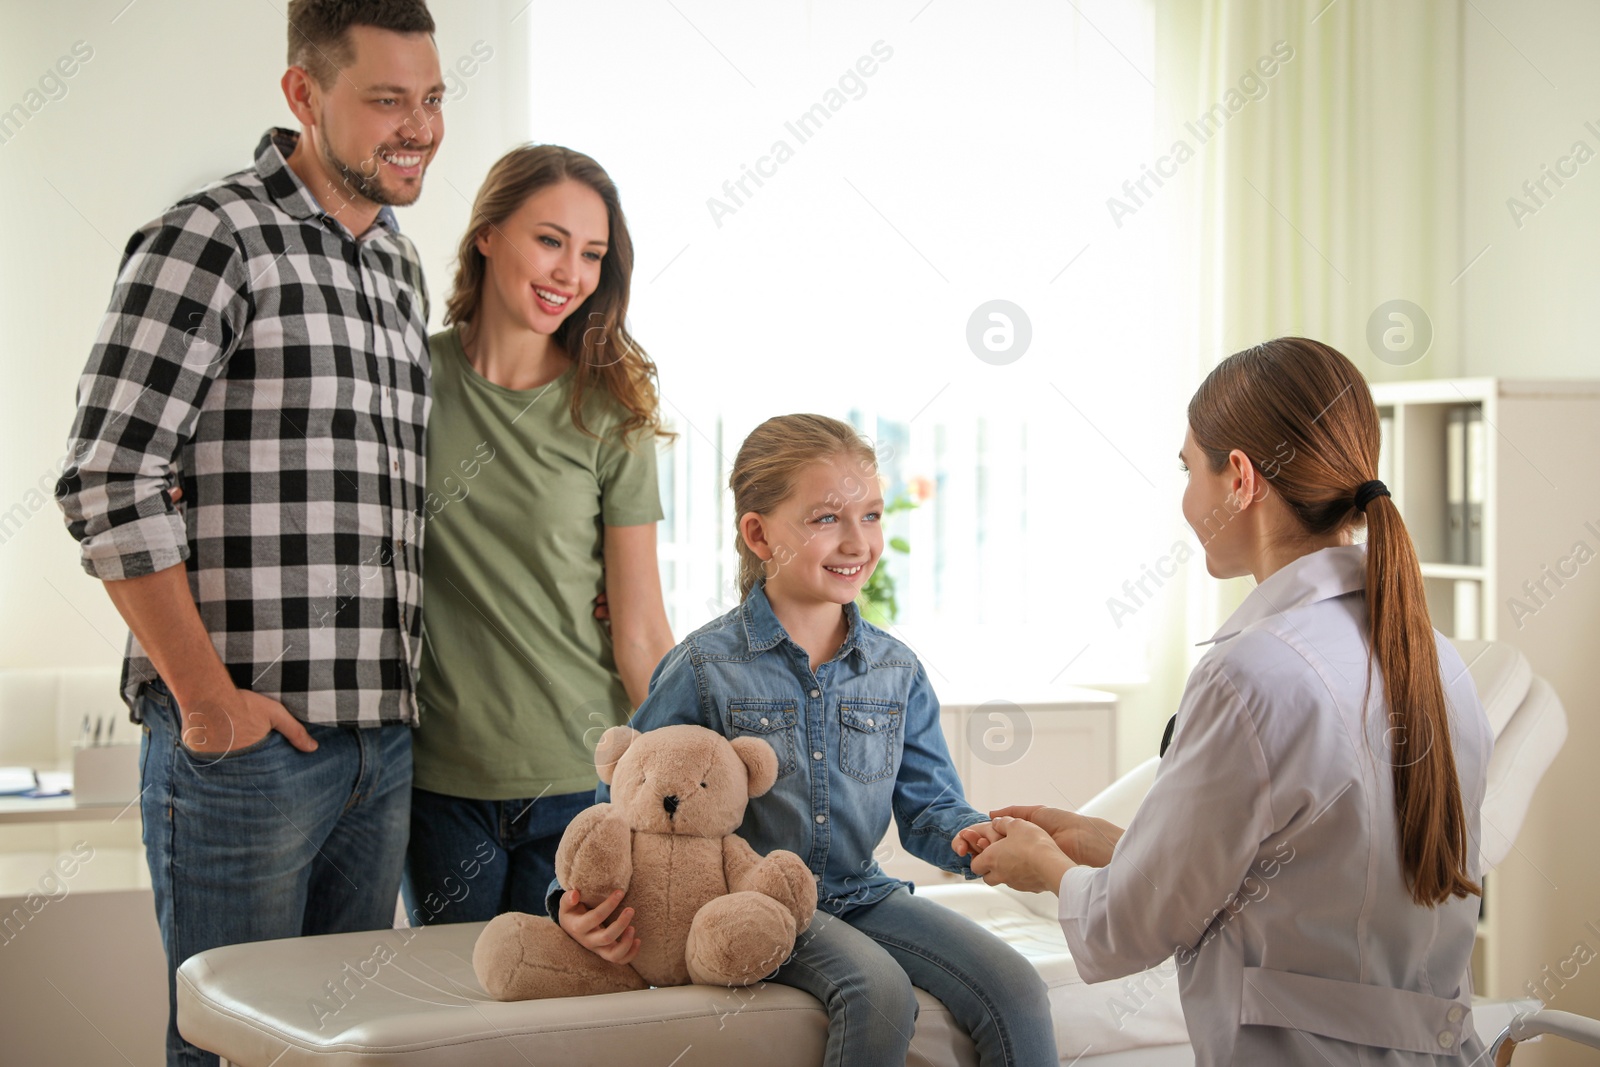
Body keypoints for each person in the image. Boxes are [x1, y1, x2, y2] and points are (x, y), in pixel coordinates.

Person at [53, 3, 444, 1063]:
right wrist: (208, 702)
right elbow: (107, 475)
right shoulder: (212, 238)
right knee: (229, 1049)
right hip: (245, 756)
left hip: (380, 740)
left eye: (432, 98)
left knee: (342, 1045)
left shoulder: (398, 269)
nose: (418, 126)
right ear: (303, 96)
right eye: (386, 100)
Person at [962, 338, 1493, 1066]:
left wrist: (1045, 867)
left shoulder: (1254, 674)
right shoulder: (1437, 659)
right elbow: (1309, 878)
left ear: (1239, 477)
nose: (1186, 497)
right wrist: (1110, 846)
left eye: (1188, 468)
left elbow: (1130, 930)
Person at [547, 414, 1057, 1066]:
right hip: (754, 899)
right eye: (825, 518)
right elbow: (625, 798)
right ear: (759, 534)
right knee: (876, 990)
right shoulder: (705, 666)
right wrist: (577, 903)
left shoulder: (897, 670)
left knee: (1019, 989)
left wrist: (971, 837)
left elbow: (930, 808)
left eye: (870, 515)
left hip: (864, 894)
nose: (857, 541)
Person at [402, 144, 675, 925]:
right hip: (439, 781)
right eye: (550, 240)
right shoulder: (407, 381)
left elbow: (641, 628)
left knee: (559, 1023)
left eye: (592, 254)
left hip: (580, 778)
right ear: (488, 232)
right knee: (456, 1023)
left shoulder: (610, 410)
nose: (571, 273)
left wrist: (672, 772)